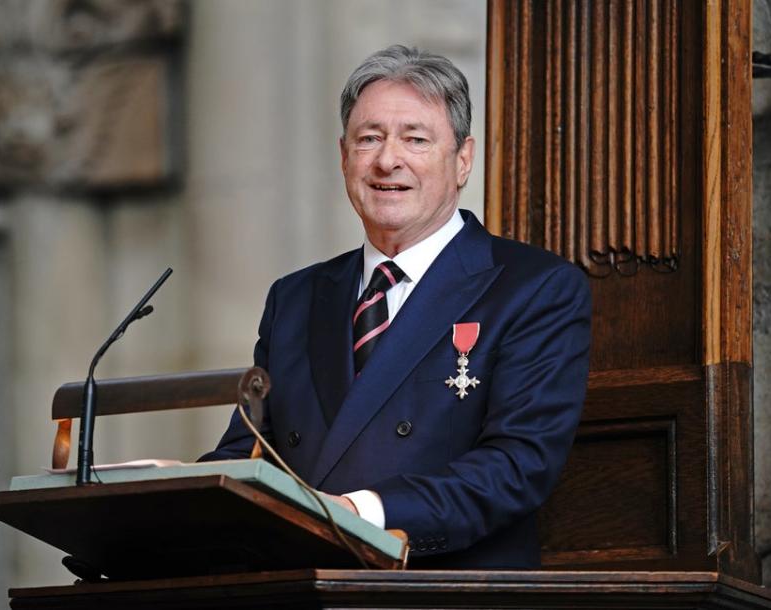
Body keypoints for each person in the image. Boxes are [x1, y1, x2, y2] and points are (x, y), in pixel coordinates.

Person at [201, 44, 591, 569]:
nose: (388, 159)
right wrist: (162, 495)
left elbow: (517, 466)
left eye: (416, 139)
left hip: (440, 592)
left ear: (463, 160)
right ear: (343, 157)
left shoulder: (536, 288)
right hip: (303, 589)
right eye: (369, 139)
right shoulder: (293, 299)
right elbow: (250, 453)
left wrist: (358, 511)